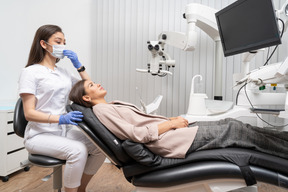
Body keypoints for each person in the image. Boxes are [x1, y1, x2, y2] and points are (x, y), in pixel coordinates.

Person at [69, 79, 288, 160]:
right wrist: (172, 124)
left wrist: (171, 120)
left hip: (173, 133)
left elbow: (142, 122)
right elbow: (136, 134)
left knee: (237, 125)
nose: (97, 83)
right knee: (235, 130)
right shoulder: (103, 112)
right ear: (88, 97)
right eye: (91, 86)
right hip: (169, 141)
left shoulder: (110, 105)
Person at [18, 25, 105, 192]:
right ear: (44, 44)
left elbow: (89, 89)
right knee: (78, 150)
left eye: (64, 42)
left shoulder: (63, 73)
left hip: (62, 131)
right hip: (39, 135)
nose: (62, 46)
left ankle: (81, 189)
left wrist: (79, 66)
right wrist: (60, 118)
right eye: (58, 42)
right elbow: (29, 113)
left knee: (99, 145)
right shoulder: (30, 72)